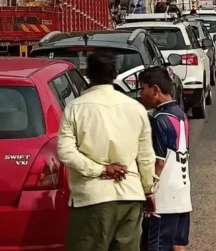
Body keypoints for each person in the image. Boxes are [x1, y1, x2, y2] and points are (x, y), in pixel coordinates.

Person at [58, 51, 156, 251]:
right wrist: (148, 190)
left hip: (91, 199)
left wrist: (101, 170)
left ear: (87, 74)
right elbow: (146, 156)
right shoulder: (135, 108)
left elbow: (66, 152)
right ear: (115, 73)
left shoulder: (75, 108)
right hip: (130, 195)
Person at [138, 68, 192, 251]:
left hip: (163, 201)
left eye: (142, 88)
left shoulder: (160, 120)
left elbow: (158, 162)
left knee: (155, 246)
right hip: (182, 194)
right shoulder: (181, 115)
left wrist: (148, 192)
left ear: (155, 89)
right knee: (178, 245)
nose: (140, 93)